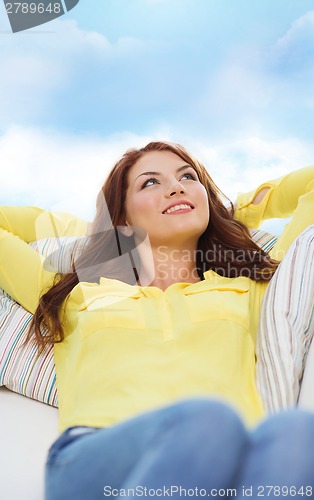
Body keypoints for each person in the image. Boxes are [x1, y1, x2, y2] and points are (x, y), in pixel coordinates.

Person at [0, 141, 314, 500]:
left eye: (188, 177)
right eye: (150, 183)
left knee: (296, 434)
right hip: (100, 461)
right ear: (123, 217)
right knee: (209, 422)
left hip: (231, 470)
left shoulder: (250, 289)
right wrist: (98, 230)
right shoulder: (78, 294)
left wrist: (223, 209)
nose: (176, 187)